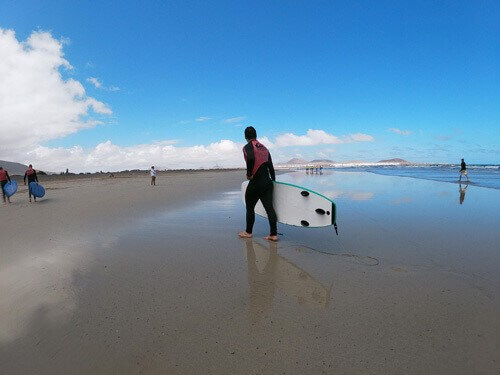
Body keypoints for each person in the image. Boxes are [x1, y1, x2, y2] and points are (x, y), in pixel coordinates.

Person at [239, 126, 278, 241]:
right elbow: (270, 165)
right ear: (256, 135)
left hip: (256, 183)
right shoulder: (264, 148)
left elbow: (250, 157)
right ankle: (273, 234)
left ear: (245, 136)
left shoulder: (247, 147)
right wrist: (273, 180)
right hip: (267, 182)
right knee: (269, 208)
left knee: (250, 207)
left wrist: (249, 173)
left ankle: (248, 232)